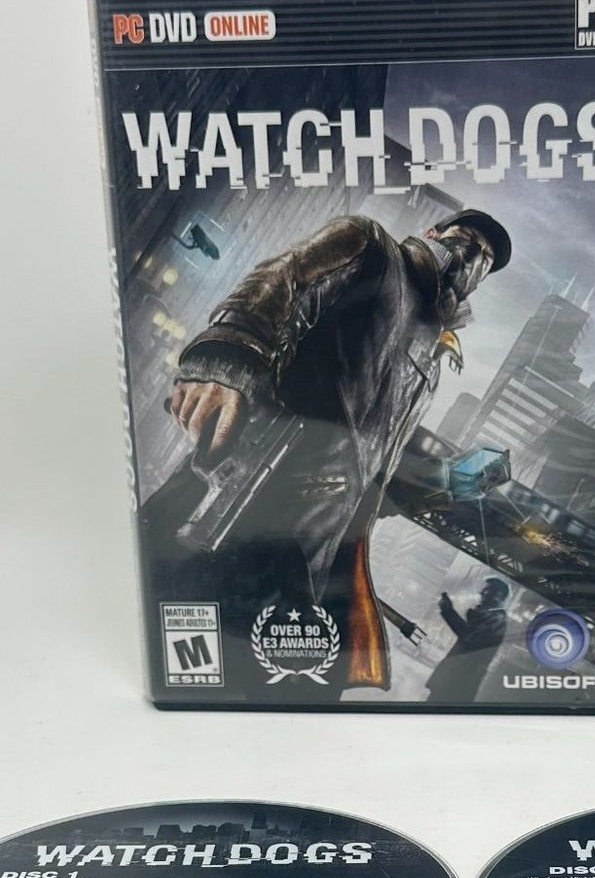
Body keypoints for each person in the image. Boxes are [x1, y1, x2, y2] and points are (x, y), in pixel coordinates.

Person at [141, 208, 510, 693]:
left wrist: (447, 482)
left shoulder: (430, 363)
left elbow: (375, 467)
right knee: (178, 667)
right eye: (467, 240)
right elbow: (283, 280)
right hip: (234, 508)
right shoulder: (373, 249)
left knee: (269, 698)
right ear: (433, 233)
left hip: (310, 562)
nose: (472, 260)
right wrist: (227, 356)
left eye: (485, 260)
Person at [425, 575, 511, 704]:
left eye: (487, 590)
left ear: (498, 596)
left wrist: (448, 610)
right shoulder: (491, 617)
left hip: (457, 683)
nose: (481, 593)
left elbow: (469, 638)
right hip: (453, 679)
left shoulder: (497, 620)